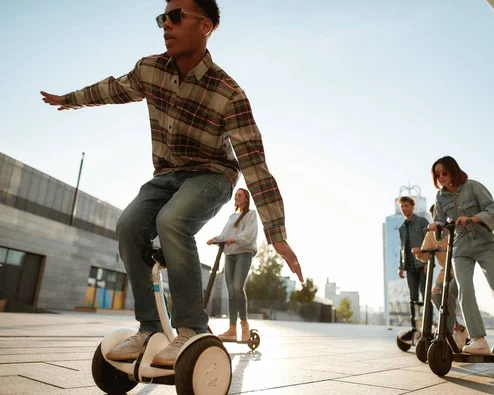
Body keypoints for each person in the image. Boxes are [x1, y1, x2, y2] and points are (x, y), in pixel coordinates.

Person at [41, 0, 303, 368]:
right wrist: (71, 101)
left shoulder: (229, 93)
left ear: (206, 26)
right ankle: (149, 327)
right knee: (129, 225)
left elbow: (255, 164)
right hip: (167, 175)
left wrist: (277, 233)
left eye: (177, 16)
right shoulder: (150, 69)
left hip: (213, 175)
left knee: (172, 221)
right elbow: (113, 89)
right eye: (163, 17)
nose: (167, 24)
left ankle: (192, 329)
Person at [428, 156, 494, 369]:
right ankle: (478, 339)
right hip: (460, 248)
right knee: (464, 290)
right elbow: (441, 224)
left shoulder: (473, 187)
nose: (441, 178)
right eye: (437, 175)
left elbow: (492, 211)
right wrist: (437, 227)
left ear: (453, 171)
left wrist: (472, 218)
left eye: (444, 173)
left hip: (485, 244)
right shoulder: (440, 198)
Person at [413, 204, 467, 349]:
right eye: (434, 216)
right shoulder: (431, 234)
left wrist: (449, 247)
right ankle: (456, 328)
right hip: (445, 272)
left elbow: (465, 247)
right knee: (435, 295)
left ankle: (446, 336)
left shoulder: (454, 228)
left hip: (459, 270)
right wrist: (419, 252)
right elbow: (425, 256)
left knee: (447, 297)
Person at [207, 188, 258, 342]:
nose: (237, 197)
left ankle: (244, 325)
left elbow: (249, 234)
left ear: (246, 198)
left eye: (240, 195)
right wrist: (215, 239)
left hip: (244, 253)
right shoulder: (232, 217)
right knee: (230, 290)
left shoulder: (251, 214)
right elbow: (224, 235)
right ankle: (232, 329)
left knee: (237, 287)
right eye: (235, 195)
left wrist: (235, 239)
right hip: (229, 254)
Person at [397, 196, 429, 334]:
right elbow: (401, 248)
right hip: (409, 267)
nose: (404, 209)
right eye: (402, 207)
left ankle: (427, 326)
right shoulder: (402, 228)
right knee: (413, 298)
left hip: (423, 264)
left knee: (426, 296)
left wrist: (428, 261)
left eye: (406, 206)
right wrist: (400, 267)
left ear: (412, 206)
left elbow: (430, 241)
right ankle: (415, 328)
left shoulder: (422, 222)